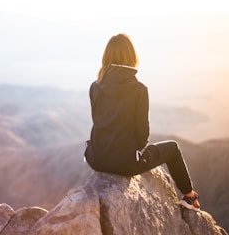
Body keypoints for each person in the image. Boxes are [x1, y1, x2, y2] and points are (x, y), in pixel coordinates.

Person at [84, 33, 200, 211]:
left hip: (96, 158)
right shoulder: (139, 89)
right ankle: (189, 196)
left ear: (106, 57)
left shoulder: (95, 86)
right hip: (126, 163)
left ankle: (189, 196)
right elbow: (142, 136)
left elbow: (98, 121)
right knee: (173, 148)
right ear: (132, 57)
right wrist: (134, 151)